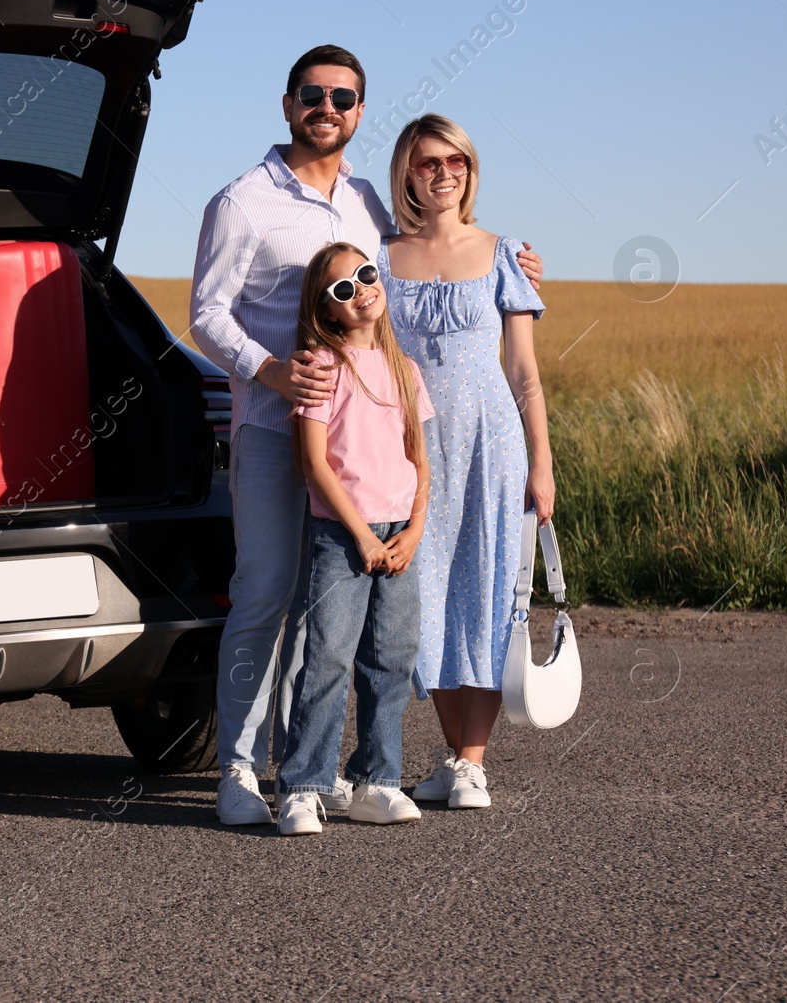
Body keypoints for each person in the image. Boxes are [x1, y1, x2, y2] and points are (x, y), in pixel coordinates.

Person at [190, 46, 543, 826]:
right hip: (273, 428)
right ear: (288, 105)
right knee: (265, 593)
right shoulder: (242, 202)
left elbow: (415, 269)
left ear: (357, 111)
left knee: (331, 611)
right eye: (313, 95)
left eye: (344, 98)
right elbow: (206, 314)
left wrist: (508, 264)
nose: (328, 108)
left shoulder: (364, 207)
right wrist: (270, 370)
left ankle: (308, 771)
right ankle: (240, 769)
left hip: (363, 449)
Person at [377, 114, 554, 810]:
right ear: (407, 173)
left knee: (484, 591)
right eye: (427, 162)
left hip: (493, 444)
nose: (443, 172)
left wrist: (543, 462)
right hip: (411, 448)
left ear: (470, 171)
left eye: (456, 161)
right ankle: (454, 757)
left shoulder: (505, 251)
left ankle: (472, 761)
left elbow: (525, 370)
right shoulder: (381, 256)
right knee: (422, 598)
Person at [276, 243, 435, 835]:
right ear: (327, 311)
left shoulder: (404, 369)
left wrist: (414, 530)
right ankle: (302, 787)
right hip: (342, 536)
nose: (361, 289)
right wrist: (362, 536)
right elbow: (315, 466)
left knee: (391, 659)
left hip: (399, 537)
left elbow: (421, 461)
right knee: (328, 659)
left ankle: (378, 780)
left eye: (366, 275)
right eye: (343, 289)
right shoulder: (324, 366)